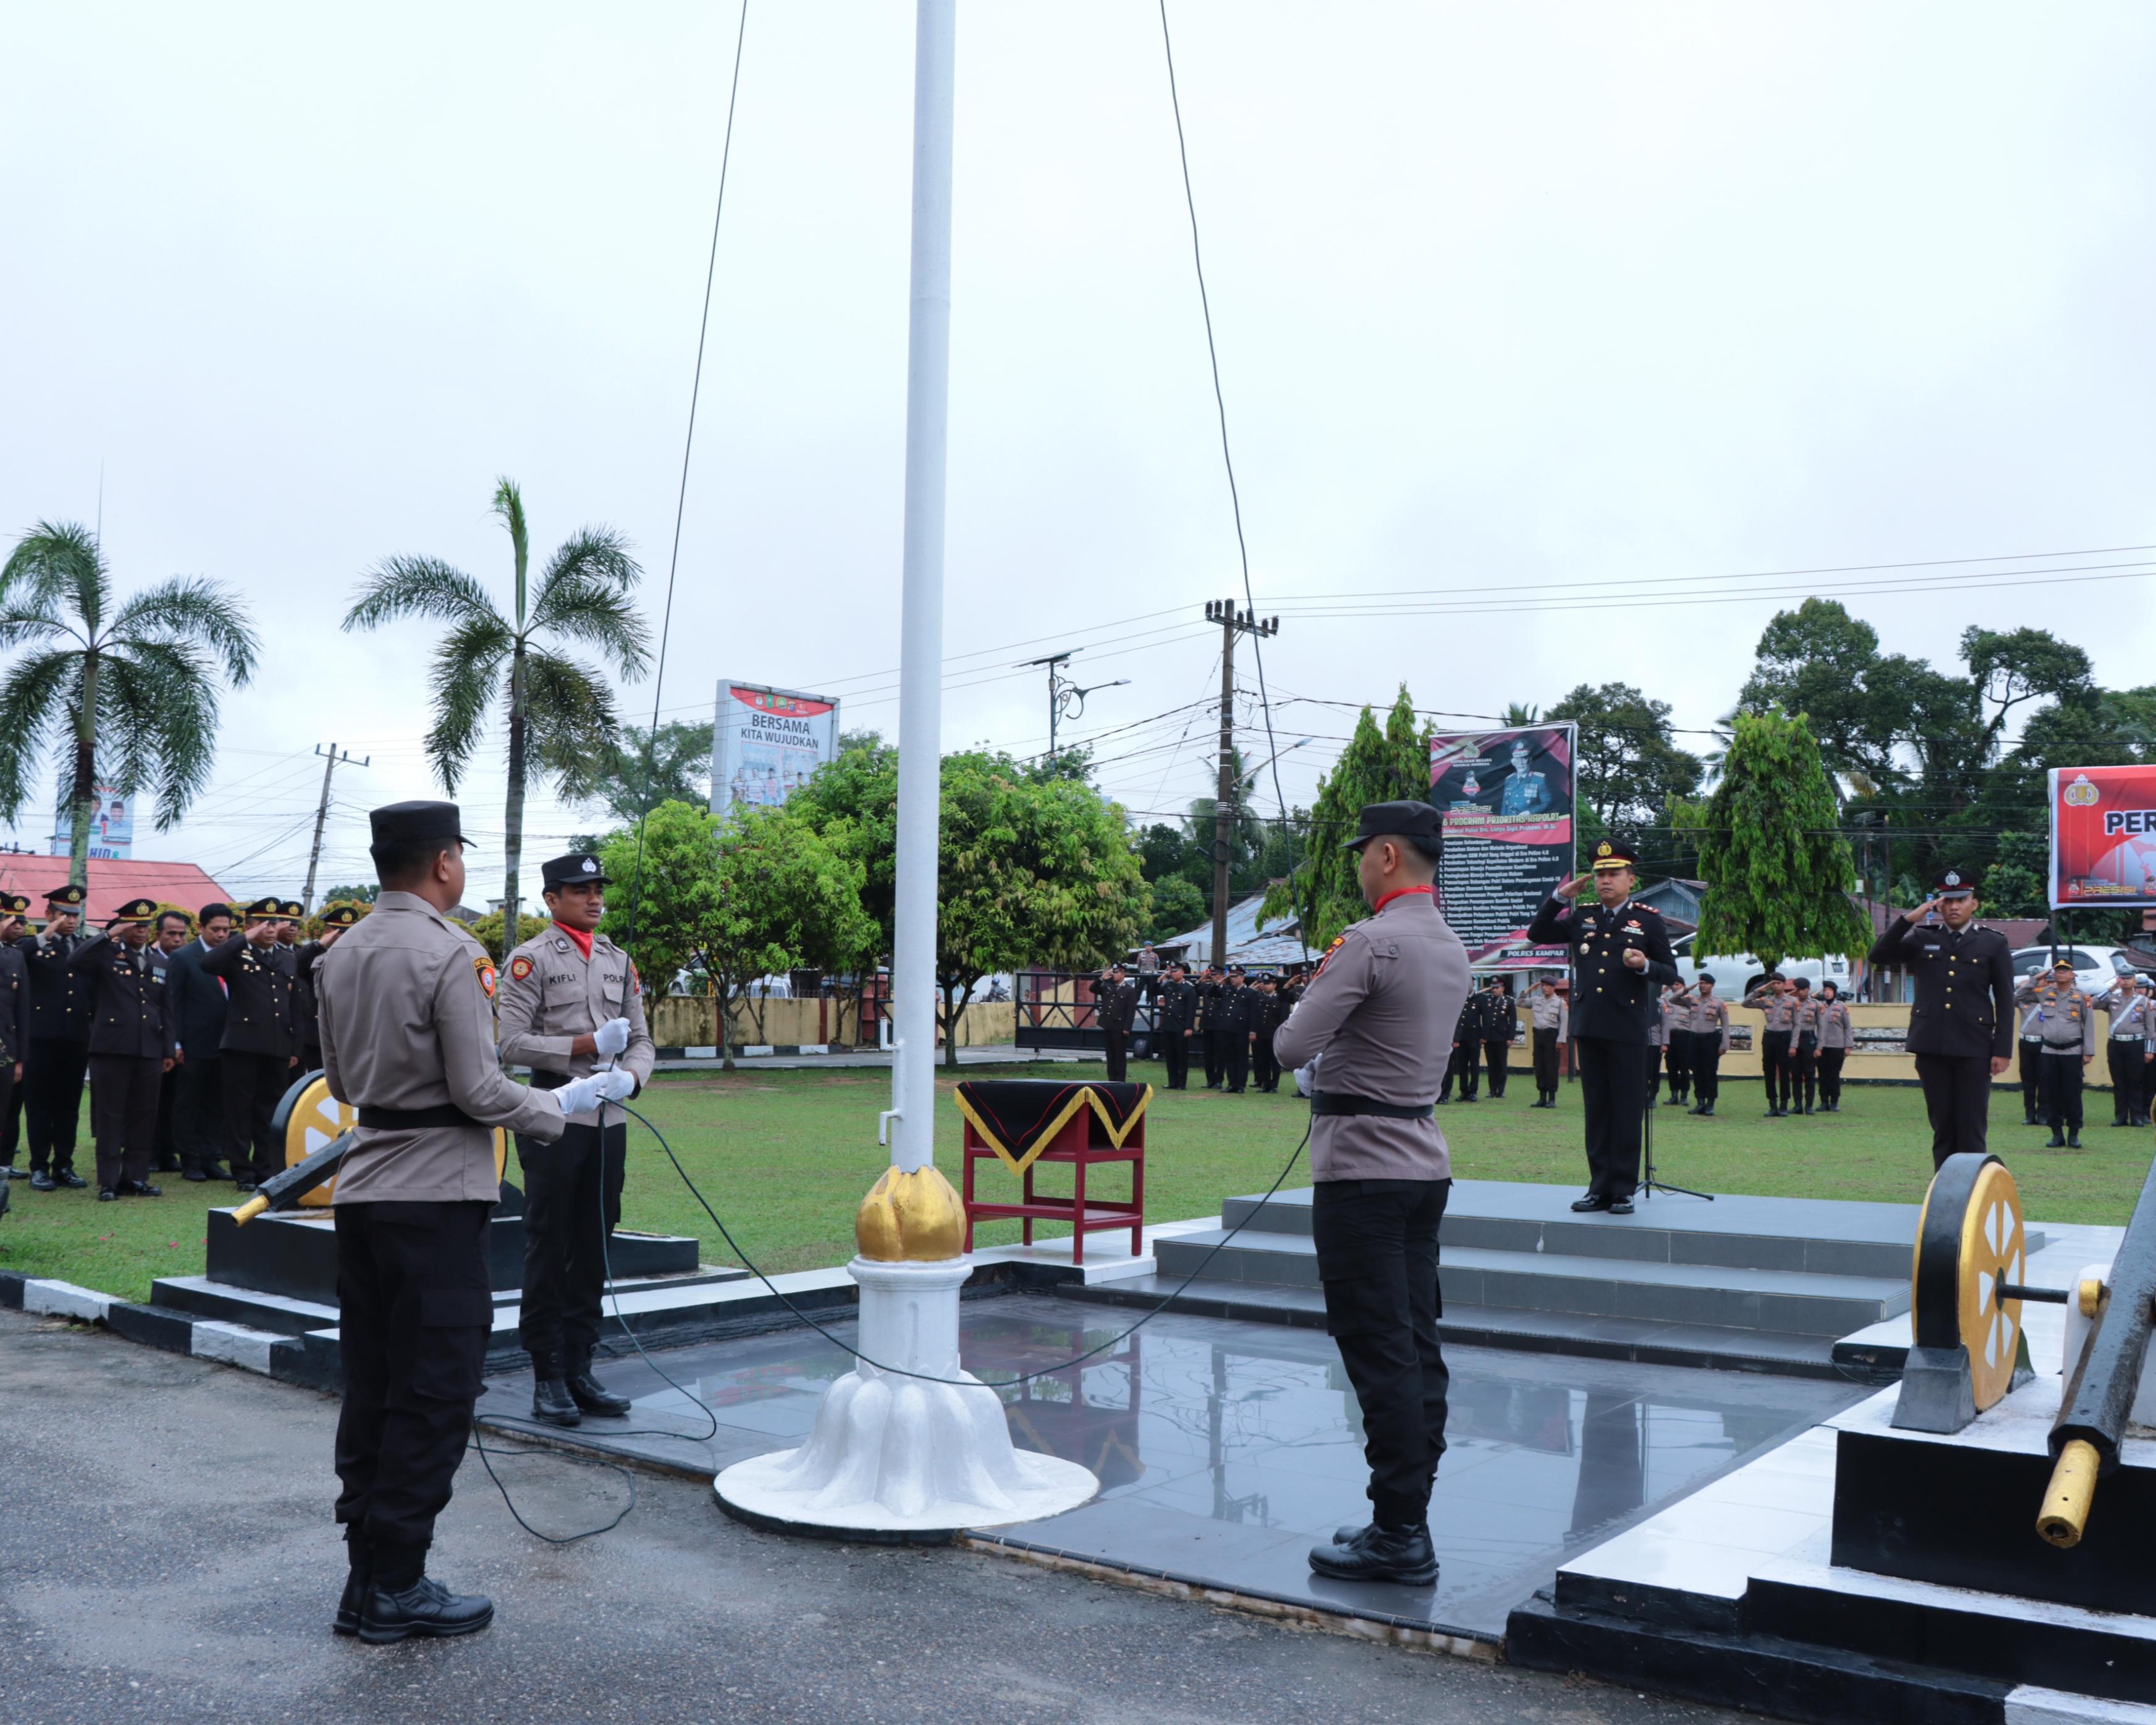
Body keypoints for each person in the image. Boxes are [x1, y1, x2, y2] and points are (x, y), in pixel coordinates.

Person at [316, 801, 632, 1644]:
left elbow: (341, 1081)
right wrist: (560, 1105)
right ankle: (396, 1583)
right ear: (444, 862)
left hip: (366, 1186)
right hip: (436, 1192)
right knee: (437, 1387)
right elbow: (479, 1087)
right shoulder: (454, 951)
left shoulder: (342, 948)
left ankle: (366, 1577)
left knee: (376, 1382)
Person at [1273, 800, 1469, 1587]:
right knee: (1415, 1344)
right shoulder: (1450, 943)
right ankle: (1403, 1512)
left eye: (1361, 853)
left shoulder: (1370, 941)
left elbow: (1291, 1044)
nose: (1357, 866)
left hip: (1361, 1171)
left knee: (1378, 1351)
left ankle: (1398, 1536)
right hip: (1421, 1165)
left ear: (1386, 855)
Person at [496, 851, 656, 1428]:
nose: (594, 898)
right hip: (552, 1114)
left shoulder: (618, 959)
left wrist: (631, 1076)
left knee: (594, 1242)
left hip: (609, 1117)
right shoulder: (530, 959)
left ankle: (581, 1366)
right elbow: (510, 1042)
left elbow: (642, 1039)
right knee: (550, 1241)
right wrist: (586, 1046)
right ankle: (547, 1372)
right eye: (580, 889)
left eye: (598, 889)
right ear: (552, 898)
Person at [1526, 839, 1679, 1215]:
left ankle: (1623, 1189)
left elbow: (1669, 972)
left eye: (1613, 874)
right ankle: (1599, 1188)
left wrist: (1644, 965)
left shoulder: (1648, 920)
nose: (1605, 880)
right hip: (1590, 1023)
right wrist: (1560, 898)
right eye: (1599, 875)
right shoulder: (1583, 917)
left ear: (1631, 879)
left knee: (1626, 1109)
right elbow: (1537, 933)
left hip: (1628, 1026)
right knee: (1597, 1110)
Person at [1867, 867, 2015, 1167]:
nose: (1954, 907)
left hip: (1974, 1048)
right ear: (1938, 905)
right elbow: (1878, 955)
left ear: (1974, 903)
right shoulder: (1923, 937)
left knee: (1972, 1127)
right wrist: (1910, 919)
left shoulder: (1993, 942)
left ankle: (1973, 1189)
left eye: (1961, 900)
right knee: (1943, 1127)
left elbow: (2005, 999)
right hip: (1931, 1045)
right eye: (1948, 901)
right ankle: (1943, 1187)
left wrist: (2002, 1050)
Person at [68, 898, 176, 1200]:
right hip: (112, 1048)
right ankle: (109, 1181)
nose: (140, 931)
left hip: (149, 1048)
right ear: (123, 926)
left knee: (144, 1114)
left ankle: (135, 1177)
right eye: (134, 925)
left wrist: (168, 1049)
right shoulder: (106, 954)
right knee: (110, 1114)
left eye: (145, 926)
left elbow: (166, 1008)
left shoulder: (159, 961)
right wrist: (108, 935)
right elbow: (75, 961)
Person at [203, 897, 301, 1193]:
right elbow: (208, 963)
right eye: (262, 924)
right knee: (239, 1111)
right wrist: (243, 938)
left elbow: (295, 1005)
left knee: (269, 1111)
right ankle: (242, 1170)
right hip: (242, 1045)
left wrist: (294, 1048)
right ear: (249, 926)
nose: (270, 929)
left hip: (277, 1046)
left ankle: (265, 1168)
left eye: (274, 923)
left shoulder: (287, 957)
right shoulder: (237, 954)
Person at [20, 884, 92, 1191]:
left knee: (68, 1106)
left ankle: (64, 1164)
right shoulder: (32, 946)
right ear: (49, 914)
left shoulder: (84, 946)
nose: (70, 921)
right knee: (39, 1106)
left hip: (75, 1037)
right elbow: (14, 958)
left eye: (75, 915)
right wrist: (43, 935)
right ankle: (39, 1167)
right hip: (41, 1038)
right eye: (64, 914)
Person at [166, 903, 235, 1182]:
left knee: (217, 1104)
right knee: (190, 1103)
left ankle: (211, 1158)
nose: (221, 935)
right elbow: (173, 1003)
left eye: (226, 930)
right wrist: (176, 1043)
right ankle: (190, 1160)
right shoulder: (183, 957)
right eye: (215, 929)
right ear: (200, 928)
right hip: (194, 1045)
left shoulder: (233, 956)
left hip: (226, 1044)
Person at [2017, 958, 2096, 1148]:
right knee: (2051, 1093)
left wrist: (2088, 1052)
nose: (2061, 973)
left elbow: (2089, 1024)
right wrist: (2039, 977)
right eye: (2058, 970)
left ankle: (2074, 1134)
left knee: (2072, 1094)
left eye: (2065, 970)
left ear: (2072, 975)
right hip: (2049, 1051)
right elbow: (2020, 994)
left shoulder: (2081, 997)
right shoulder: (2045, 993)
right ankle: (2057, 1134)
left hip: (2072, 1052)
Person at [296, 906, 363, 1074]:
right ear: (328, 932)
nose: (344, 937)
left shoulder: (358, 956)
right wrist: (318, 945)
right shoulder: (314, 955)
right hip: (317, 1033)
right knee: (319, 1080)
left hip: (348, 1032)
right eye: (339, 933)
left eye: (348, 932)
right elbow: (296, 965)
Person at [150, 911, 191, 1172]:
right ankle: (151, 1153)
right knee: (151, 1102)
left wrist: (178, 1043)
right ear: (159, 935)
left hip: (179, 1043)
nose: (177, 939)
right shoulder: (150, 960)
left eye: (182, 934)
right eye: (171, 934)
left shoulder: (187, 961)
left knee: (173, 1102)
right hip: (153, 1040)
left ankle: (167, 1152)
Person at [0, 893, 28, 1178]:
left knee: (5, 1108)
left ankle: (3, 1164)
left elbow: (22, 1011)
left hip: (5, 1047)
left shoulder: (15, 956)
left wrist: (20, 1058)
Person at [1743, 974, 1798, 1117]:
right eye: (1773, 983)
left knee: (1785, 1072)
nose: (1775, 986)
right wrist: (1760, 990)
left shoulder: (1792, 1002)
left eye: (1778, 983)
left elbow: (1797, 1025)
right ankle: (1772, 1105)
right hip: (1769, 1037)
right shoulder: (1766, 1000)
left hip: (1785, 1038)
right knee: (1768, 1071)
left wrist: (1794, 1045)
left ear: (1784, 985)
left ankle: (1784, 1105)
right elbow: (1746, 1003)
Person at [1683, 976, 1730, 1116]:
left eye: (1706, 983)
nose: (1703, 986)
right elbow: (1674, 999)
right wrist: (1688, 988)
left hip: (1710, 1039)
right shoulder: (1692, 1000)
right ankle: (1700, 1103)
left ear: (1712, 986)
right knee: (1696, 1072)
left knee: (1710, 1072)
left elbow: (1725, 1024)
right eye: (1701, 983)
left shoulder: (1719, 1003)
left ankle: (1710, 1104)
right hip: (1694, 1039)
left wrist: (1725, 1044)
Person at [1155, 963, 1198, 1090]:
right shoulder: (1168, 985)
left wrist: (1189, 1027)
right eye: (1171, 972)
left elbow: (1191, 1010)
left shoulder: (1189, 988)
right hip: (1169, 1025)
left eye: (1176, 971)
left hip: (1181, 1026)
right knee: (1170, 1055)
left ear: (1183, 972)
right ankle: (1172, 1082)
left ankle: (1181, 1083)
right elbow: (1153, 992)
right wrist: (1159, 980)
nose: (1173, 974)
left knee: (1181, 1056)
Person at [1527, 975, 1567, 1107]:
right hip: (1538, 1036)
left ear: (1553, 987)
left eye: (1548, 986)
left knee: (1551, 1068)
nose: (1544, 988)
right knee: (1540, 1067)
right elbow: (1519, 1002)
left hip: (1552, 1036)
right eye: (1543, 985)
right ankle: (1542, 1098)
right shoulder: (1537, 1000)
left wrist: (1560, 1040)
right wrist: (1529, 990)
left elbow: (1564, 1022)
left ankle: (1552, 1099)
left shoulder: (1560, 1003)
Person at [1095, 964, 1139, 1083]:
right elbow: (1093, 989)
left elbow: (1131, 1011)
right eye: (1113, 972)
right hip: (1108, 1024)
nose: (1114, 975)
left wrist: (1127, 1028)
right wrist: (1102, 978)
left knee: (1119, 1055)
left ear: (1123, 974)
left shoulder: (1129, 990)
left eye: (1117, 972)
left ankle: (1120, 1080)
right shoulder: (1108, 986)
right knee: (1110, 1055)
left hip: (1120, 1026)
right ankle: (1111, 1079)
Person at [1814, 982, 1853, 1112]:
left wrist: (1848, 1045)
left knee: (1834, 1075)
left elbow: (1847, 1028)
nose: (1827, 992)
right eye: (1825, 990)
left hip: (1837, 1046)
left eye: (1830, 990)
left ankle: (1834, 1102)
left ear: (1835, 992)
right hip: (1821, 1046)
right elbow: (1809, 1000)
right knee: (1822, 1075)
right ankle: (1824, 1101)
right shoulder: (1819, 1006)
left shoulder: (1841, 1007)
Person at [1438, 990, 1482, 1103]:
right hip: (1440, 1039)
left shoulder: (1456, 1002)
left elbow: (1458, 1022)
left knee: (1451, 1068)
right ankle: (1440, 1093)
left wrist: (1456, 1039)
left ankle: (1446, 1095)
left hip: (1462, 1038)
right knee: (1441, 1068)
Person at [1787, 977, 1819, 1115]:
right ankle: (1798, 1106)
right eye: (1798, 990)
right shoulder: (1791, 1003)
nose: (1800, 992)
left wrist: (1820, 1047)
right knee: (1796, 1075)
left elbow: (1822, 1027)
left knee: (1810, 1074)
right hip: (1794, 1040)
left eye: (1803, 990)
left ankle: (1809, 1106)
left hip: (1809, 1039)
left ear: (1808, 989)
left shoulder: (1816, 1005)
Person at [1220, 968, 1256, 1093]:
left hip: (1242, 1030)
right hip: (1228, 1028)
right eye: (1231, 977)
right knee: (1229, 1057)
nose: (1233, 979)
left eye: (1235, 977)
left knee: (1241, 1058)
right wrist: (1219, 982)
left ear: (1242, 978)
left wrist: (1252, 1031)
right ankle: (1232, 1083)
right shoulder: (1227, 990)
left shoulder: (1250, 993)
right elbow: (1213, 992)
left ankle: (1240, 1085)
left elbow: (1253, 1013)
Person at [1480, 978, 1517, 1099]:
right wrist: (1483, 1036)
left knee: (1501, 1065)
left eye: (1497, 988)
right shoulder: (1486, 999)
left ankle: (1500, 1090)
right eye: (1493, 988)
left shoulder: (1509, 1001)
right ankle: (1492, 1090)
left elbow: (1513, 1021)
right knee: (1491, 1065)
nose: (1494, 990)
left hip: (1502, 1037)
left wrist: (1511, 1038)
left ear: (1503, 989)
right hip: (1489, 1038)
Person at [1251, 974, 1287, 1092]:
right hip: (1261, 1032)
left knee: (1274, 1060)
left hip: (1274, 1033)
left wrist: (1282, 1034)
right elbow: (1255, 1015)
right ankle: (1265, 1084)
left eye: (1268, 984)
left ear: (1274, 985)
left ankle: (1274, 1085)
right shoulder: (1259, 997)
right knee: (1263, 1060)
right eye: (1264, 984)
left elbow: (1283, 1018)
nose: (1265, 986)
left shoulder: (1280, 998)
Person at [1660, 983, 1693, 1109]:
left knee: (1684, 1067)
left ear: (1684, 986)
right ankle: (1674, 1095)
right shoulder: (1666, 1000)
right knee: (1671, 1067)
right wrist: (1662, 992)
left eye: (1677, 984)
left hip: (1684, 1037)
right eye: (1673, 984)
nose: (1674, 987)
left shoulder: (1689, 1001)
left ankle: (1684, 1096)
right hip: (1670, 1037)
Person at [1196, 966, 1227, 1089]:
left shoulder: (1226, 989)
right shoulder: (1207, 987)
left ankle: (1219, 1080)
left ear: (1222, 976)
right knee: (1208, 1054)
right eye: (1212, 975)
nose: (1213, 977)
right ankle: (1210, 1080)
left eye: (1216, 975)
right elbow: (1196, 990)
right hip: (1207, 1024)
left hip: (1220, 1025)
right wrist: (1200, 981)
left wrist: (1219, 984)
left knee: (1220, 1054)